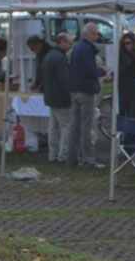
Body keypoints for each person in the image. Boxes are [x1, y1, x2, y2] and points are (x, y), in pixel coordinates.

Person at [66, 22, 109, 168]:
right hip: (85, 90)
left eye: (96, 34)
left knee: (75, 125)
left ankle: (72, 158)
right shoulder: (86, 49)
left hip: (75, 89)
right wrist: (102, 71)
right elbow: (89, 71)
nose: (96, 37)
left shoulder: (77, 47)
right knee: (86, 126)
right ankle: (88, 159)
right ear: (85, 34)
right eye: (93, 34)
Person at [43, 32, 73, 163]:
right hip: (60, 98)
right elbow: (64, 80)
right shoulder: (60, 58)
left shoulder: (49, 55)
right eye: (69, 43)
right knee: (65, 126)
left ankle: (53, 154)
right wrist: (68, 97)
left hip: (51, 96)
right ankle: (63, 155)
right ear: (61, 42)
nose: (71, 46)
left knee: (53, 128)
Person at [117, 31, 135, 117]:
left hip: (133, 86)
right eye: (124, 43)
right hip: (124, 86)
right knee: (123, 109)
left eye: (128, 43)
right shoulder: (121, 55)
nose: (126, 45)